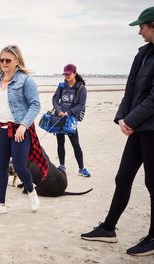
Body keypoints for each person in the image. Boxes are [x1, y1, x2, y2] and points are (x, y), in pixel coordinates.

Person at [81, 7, 154, 256]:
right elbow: (130, 89)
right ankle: (108, 229)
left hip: (151, 129)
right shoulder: (144, 53)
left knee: (153, 183)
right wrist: (122, 117)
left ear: (152, 25)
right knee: (122, 178)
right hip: (137, 127)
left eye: (142, 27)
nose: (139, 32)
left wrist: (132, 120)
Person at [0, 45, 48, 216]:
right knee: (1, 166)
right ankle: (0, 204)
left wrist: (24, 126)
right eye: (1, 59)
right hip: (2, 128)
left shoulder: (26, 81)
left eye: (8, 60)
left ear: (17, 61)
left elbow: (35, 105)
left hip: (20, 128)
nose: (4, 63)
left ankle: (31, 189)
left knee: (19, 166)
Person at [52, 64, 91, 177]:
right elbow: (55, 100)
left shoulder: (81, 88)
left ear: (74, 73)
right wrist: (59, 111)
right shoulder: (61, 85)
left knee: (76, 144)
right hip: (59, 118)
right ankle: (62, 166)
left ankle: (81, 168)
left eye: (69, 74)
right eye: (65, 74)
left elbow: (81, 105)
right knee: (60, 143)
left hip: (71, 120)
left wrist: (68, 113)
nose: (67, 76)